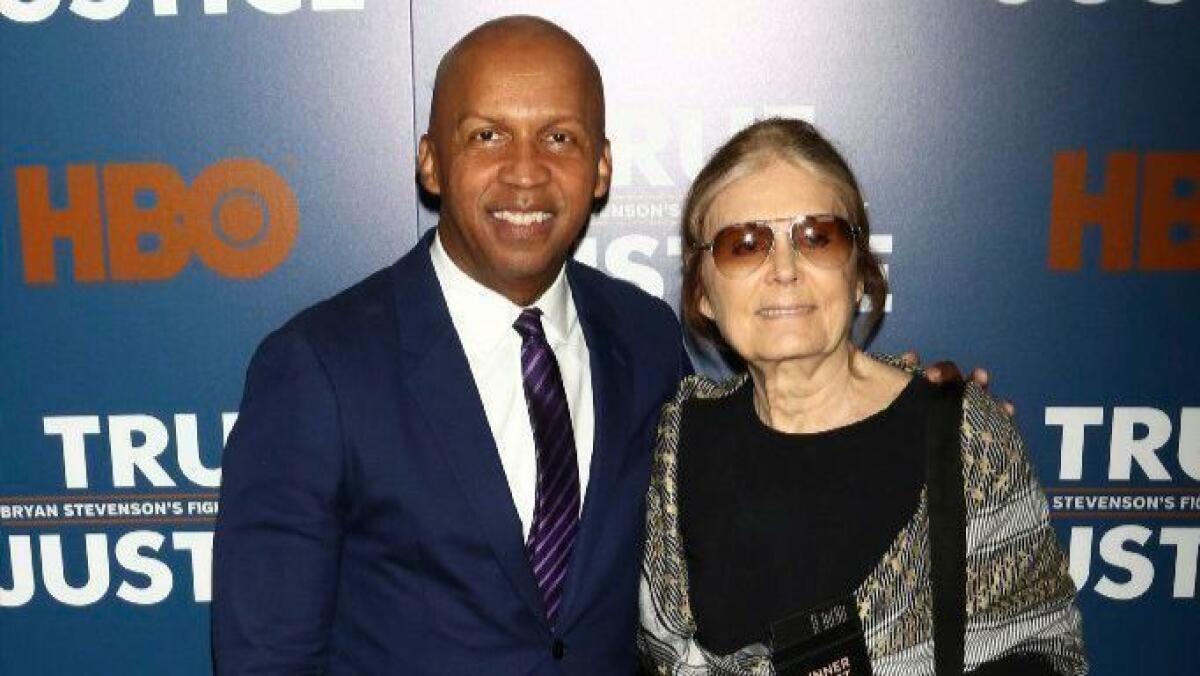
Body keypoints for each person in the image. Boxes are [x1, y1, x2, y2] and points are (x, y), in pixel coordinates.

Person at [213, 16, 983, 676]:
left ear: (602, 166)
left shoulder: (644, 338)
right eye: (487, 135)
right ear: (430, 161)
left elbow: (764, 454)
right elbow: (266, 660)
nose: (525, 173)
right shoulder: (319, 368)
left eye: (559, 137)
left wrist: (922, 422)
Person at [639, 118, 1086, 675]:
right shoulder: (680, 441)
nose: (784, 270)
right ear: (703, 291)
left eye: (816, 237)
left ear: (858, 274)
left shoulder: (959, 436)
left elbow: (1041, 652)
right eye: (744, 244)